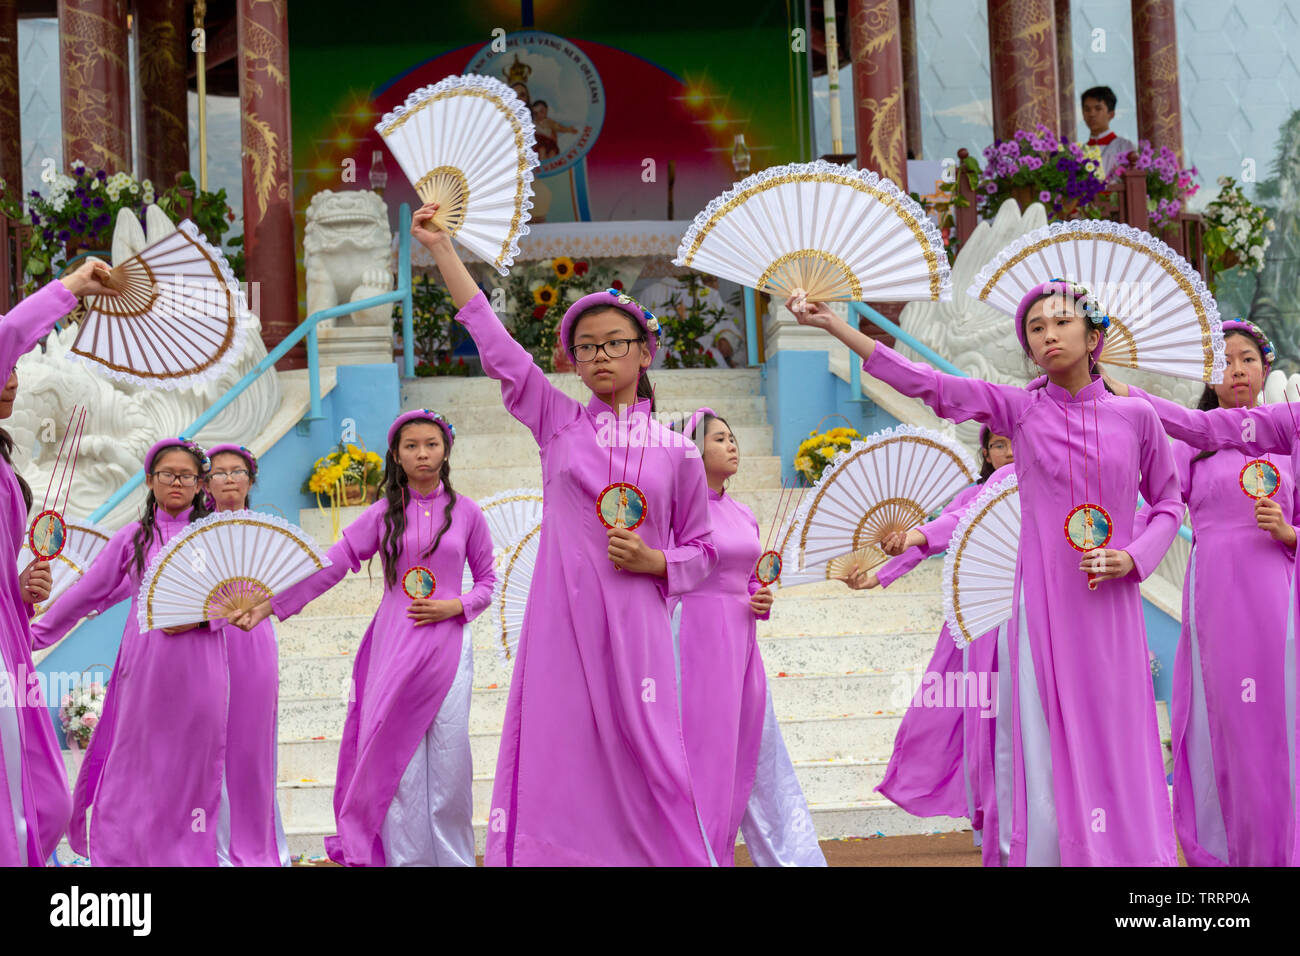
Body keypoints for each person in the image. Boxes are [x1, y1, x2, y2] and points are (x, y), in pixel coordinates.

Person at [791, 277, 1183, 866]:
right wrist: (836, 326)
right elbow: (929, 385)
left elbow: (1170, 503)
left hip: (1111, 606)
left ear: (1094, 334)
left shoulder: (1137, 416)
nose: (1047, 334)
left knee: (1118, 741)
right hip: (1041, 609)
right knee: (1046, 747)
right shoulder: (1019, 411)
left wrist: (1134, 557)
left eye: (1061, 322)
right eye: (1034, 328)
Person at [412, 200, 718, 866]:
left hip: (636, 621)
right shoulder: (557, 423)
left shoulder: (678, 451)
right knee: (560, 752)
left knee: (653, 751)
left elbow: (706, 552)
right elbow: (498, 347)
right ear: (573, 362)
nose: (601, 354)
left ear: (645, 353)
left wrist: (657, 562)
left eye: (615, 343)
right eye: (586, 347)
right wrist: (443, 252)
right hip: (561, 621)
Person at [232, 411, 495, 867]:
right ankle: (405, 861)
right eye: (411, 445)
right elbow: (334, 561)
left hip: (450, 647)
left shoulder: (468, 512)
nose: (422, 453)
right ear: (396, 454)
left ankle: (452, 860)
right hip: (395, 644)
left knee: (451, 766)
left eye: (431, 444)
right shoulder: (382, 514)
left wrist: (459, 606)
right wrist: (272, 603)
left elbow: (489, 580)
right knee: (398, 761)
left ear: (446, 449)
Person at [1104, 320, 1299, 865]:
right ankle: (1234, 849)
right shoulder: (1193, 441)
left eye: (1247, 360)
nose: (1236, 370)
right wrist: (1119, 547)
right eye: (1224, 362)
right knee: (1229, 724)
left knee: (1282, 719)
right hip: (1214, 594)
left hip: (1277, 596)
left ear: (1265, 369)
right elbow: (1158, 509)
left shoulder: (1290, 437)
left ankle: (1286, 847)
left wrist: (1289, 532)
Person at [32, 438, 221, 865]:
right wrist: (33, 635)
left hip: (202, 664)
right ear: (150, 480)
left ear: (198, 484)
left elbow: (240, 597)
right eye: (167, 474)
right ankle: (128, 854)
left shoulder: (217, 535)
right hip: (146, 663)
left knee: (194, 762)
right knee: (138, 761)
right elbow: (87, 592)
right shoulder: (133, 537)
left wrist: (205, 619)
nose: (176, 482)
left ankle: (188, 855)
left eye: (186, 476)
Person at [842, 428, 1014, 848]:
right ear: (986, 455)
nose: (1008, 451)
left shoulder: (1043, 481)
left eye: (1014, 441)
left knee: (1019, 716)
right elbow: (938, 532)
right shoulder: (978, 494)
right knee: (975, 715)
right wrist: (879, 574)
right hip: (978, 618)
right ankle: (991, 820)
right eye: (998, 445)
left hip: (1032, 613)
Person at [673, 407, 826, 865]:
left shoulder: (743, 513)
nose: (731, 444)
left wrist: (760, 597)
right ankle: (699, 853)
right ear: (693, 451)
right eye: (719, 438)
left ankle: (788, 855)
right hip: (697, 637)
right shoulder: (677, 511)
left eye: (732, 436)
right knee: (706, 754)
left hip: (742, 642)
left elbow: (750, 579)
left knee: (756, 751)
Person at [0, 259, 115, 865]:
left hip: (8, 635)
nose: (13, 379)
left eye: (17, 369)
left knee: (44, 795)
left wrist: (19, 587)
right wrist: (70, 288)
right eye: (7, 368)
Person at [203, 444, 289, 865]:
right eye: (219, 472)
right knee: (212, 744)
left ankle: (261, 846)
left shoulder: (269, 530)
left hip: (254, 639)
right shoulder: (193, 536)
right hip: (208, 644)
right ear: (207, 483)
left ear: (251, 480)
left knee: (253, 748)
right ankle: (215, 847)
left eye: (238, 471)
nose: (230, 479)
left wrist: (265, 606)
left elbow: (294, 583)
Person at [1081, 85, 1137, 177]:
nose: (1091, 114)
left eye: (1098, 109)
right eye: (1087, 109)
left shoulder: (1124, 146)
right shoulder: (1079, 152)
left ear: (1111, 114)